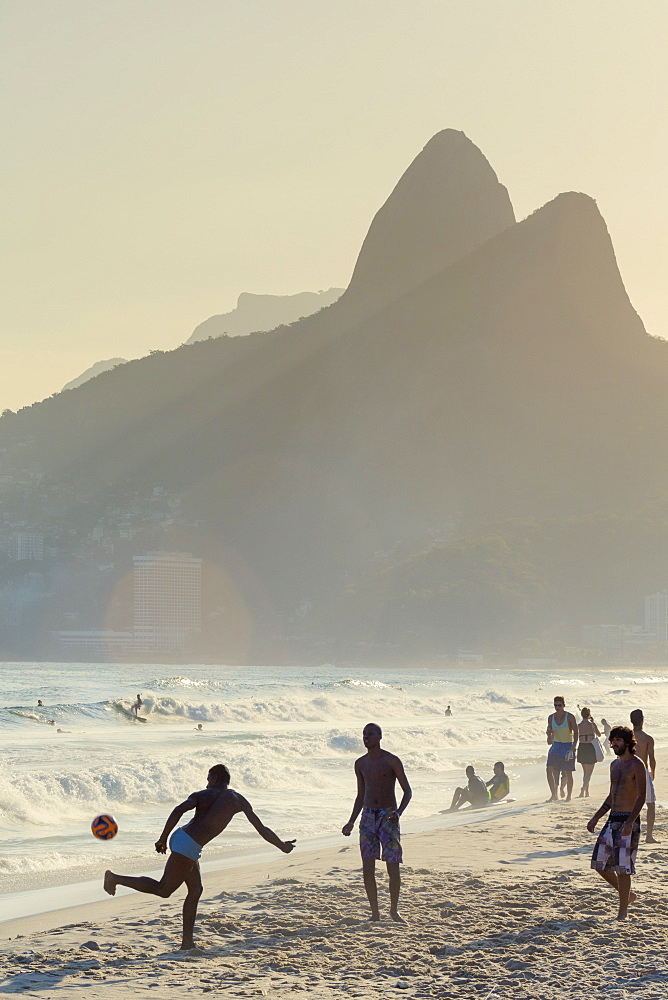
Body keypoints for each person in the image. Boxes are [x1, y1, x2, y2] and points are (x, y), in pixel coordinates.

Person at [103, 764, 295, 949]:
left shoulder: (202, 795)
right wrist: (281, 846)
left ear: (216, 778)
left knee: (195, 890)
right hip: (187, 844)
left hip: (185, 841)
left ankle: (187, 943)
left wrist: (163, 838)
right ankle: (115, 878)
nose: (206, 783)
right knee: (164, 889)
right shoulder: (238, 800)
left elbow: (179, 809)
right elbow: (261, 829)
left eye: (208, 778)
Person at [341, 723, 412, 923]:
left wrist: (398, 813)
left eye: (370, 734)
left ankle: (394, 910)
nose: (366, 737)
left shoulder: (392, 761)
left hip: (388, 816)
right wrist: (351, 821)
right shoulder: (360, 763)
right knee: (367, 868)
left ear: (380, 736)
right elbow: (360, 795)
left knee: (393, 865)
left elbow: (408, 791)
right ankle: (374, 913)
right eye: (364, 734)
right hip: (367, 817)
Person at [588, 726, 646, 920]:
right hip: (613, 819)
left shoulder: (637, 764)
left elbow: (641, 797)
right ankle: (627, 896)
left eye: (618, 740)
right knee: (598, 863)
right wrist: (597, 817)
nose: (614, 744)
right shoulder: (614, 765)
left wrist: (630, 822)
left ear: (628, 742)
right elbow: (612, 796)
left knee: (623, 869)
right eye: (612, 740)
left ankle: (622, 912)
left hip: (628, 820)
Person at [630, 709, 658, 844]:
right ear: (642, 720)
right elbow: (651, 758)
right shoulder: (647, 738)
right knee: (650, 804)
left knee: (630, 803)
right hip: (642, 771)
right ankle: (649, 836)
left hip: (629, 771)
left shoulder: (628, 737)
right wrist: (653, 771)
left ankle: (629, 833)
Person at [546, 695, 578, 802]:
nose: (557, 707)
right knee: (548, 769)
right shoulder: (551, 718)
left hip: (567, 746)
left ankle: (569, 796)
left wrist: (574, 746)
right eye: (555, 705)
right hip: (556, 746)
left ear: (564, 705)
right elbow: (549, 739)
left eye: (559, 705)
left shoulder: (570, 717)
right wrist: (549, 734)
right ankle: (553, 795)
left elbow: (576, 732)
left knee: (568, 772)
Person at [577, 707, 601, 798]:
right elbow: (598, 734)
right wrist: (593, 722)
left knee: (585, 771)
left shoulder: (578, 725)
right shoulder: (592, 725)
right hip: (590, 747)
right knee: (589, 772)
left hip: (582, 746)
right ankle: (584, 788)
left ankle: (585, 791)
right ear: (589, 714)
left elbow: (575, 736)